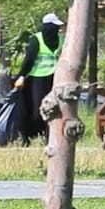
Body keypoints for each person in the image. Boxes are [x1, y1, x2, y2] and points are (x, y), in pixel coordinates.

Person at [15, 12, 64, 143]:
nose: (56, 29)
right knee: (35, 109)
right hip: (36, 78)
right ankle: (29, 136)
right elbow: (29, 60)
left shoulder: (61, 39)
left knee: (52, 108)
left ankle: (49, 136)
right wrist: (21, 76)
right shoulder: (37, 39)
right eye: (54, 26)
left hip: (54, 78)